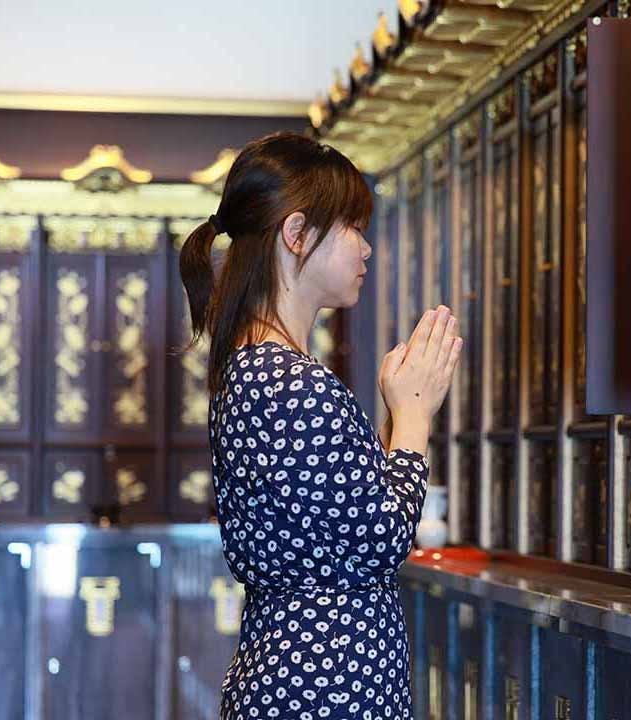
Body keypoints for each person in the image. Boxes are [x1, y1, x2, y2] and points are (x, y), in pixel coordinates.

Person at [179, 131, 462, 720]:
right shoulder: (287, 380)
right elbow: (381, 542)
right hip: (322, 684)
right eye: (353, 227)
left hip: (299, 676)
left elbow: (341, 527)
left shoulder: (259, 368)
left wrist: (396, 414)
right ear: (297, 233)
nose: (367, 248)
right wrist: (414, 416)